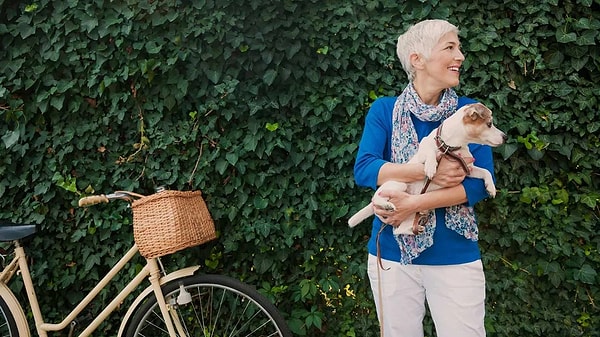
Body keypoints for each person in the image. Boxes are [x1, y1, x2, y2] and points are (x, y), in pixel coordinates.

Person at [353, 19, 494, 337]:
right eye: (450, 47)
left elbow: (475, 185)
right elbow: (365, 168)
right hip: (392, 252)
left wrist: (413, 203)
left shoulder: (469, 111)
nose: (460, 55)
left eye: (459, 47)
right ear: (417, 59)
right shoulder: (385, 110)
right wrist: (423, 171)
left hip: (455, 255)